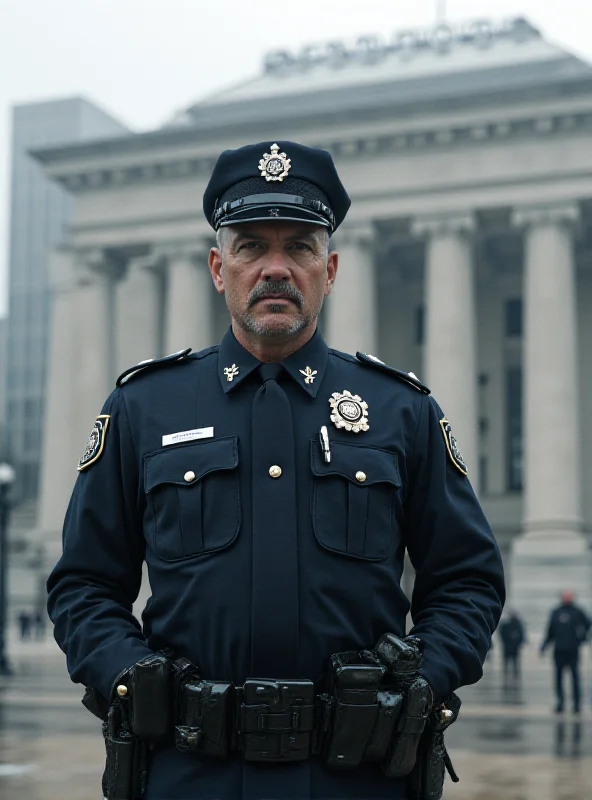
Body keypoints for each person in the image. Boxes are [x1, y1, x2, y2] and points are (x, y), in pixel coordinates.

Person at [47, 141, 505, 800]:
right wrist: (127, 673)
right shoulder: (143, 408)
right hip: (189, 773)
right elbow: (84, 584)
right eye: (251, 246)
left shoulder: (400, 411)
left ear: (332, 267)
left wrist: (426, 675)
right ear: (216, 267)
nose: (275, 269)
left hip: (358, 777)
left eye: (299, 247)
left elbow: (467, 579)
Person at [541, 591, 590, 714]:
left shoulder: (578, 611)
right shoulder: (556, 612)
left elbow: (588, 624)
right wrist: (544, 646)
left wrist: (582, 638)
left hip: (573, 650)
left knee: (575, 677)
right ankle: (560, 703)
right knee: (558, 678)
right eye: (565, 596)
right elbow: (550, 631)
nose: (567, 598)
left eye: (569, 596)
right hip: (559, 650)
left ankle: (577, 704)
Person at [499, 609, 526, 685]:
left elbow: (501, 634)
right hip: (511, 645)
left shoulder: (509, 624)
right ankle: (512, 674)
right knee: (513, 661)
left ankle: (510, 673)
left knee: (511, 661)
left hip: (510, 645)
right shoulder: (515, 624)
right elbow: (522, 635)